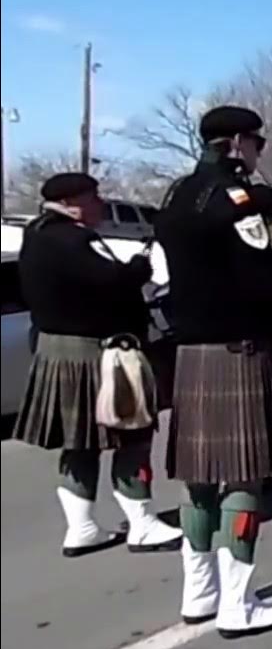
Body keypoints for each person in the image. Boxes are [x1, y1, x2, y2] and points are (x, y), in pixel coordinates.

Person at [156, 105, 272, 636]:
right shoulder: (236, 201)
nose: (260, 152)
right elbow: (258, 275)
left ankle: (199, 593)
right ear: (237, 143)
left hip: (190, 349)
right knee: (242, 476)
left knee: (197, 479)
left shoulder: (176, 195)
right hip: (237, 348)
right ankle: (238, 602)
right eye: (256, 142)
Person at [15, 173, 183, 557]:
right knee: (133, 435)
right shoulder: (77, 239)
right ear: (71, 202)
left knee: (80, 443)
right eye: (93, 197)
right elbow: (112, 283)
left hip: (56, 350)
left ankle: (82, 528)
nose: (100, 203)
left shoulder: (36, 235)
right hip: (98, 352)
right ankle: (142, 523)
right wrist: (140, 268)